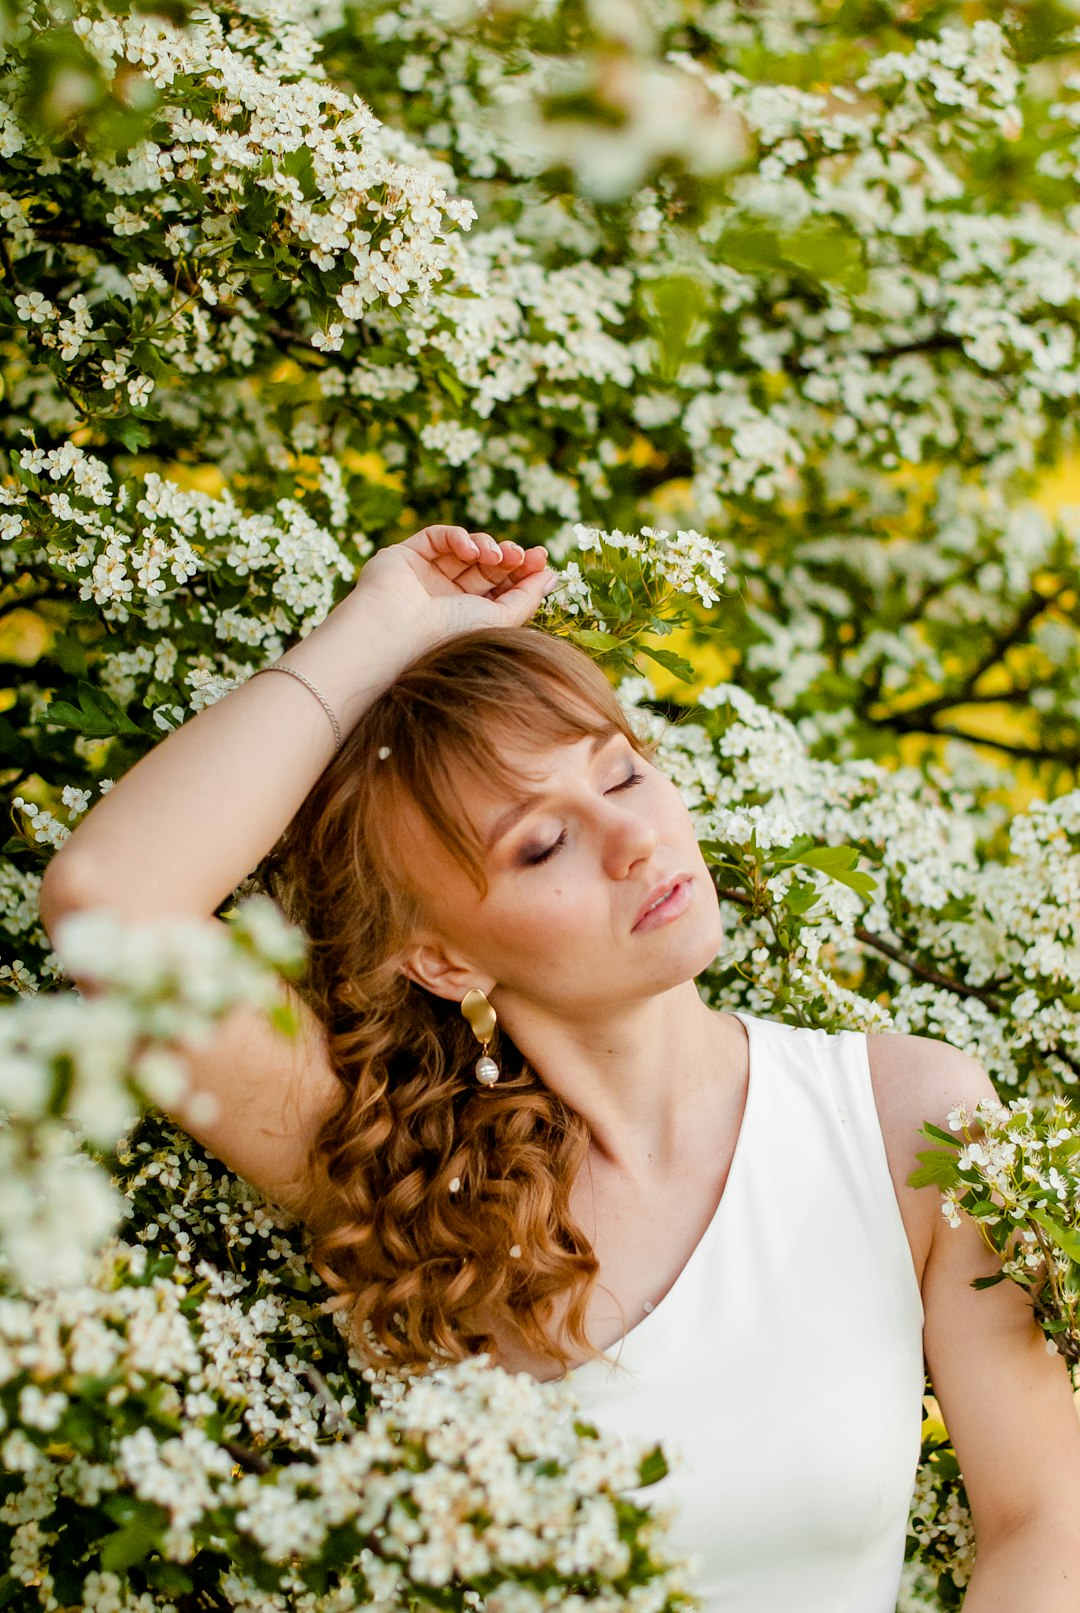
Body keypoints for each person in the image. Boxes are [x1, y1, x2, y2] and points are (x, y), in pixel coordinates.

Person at [39, 524, 1080, 1612]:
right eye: (541, 843)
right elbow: (111, 900)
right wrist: (382, 627)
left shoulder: (908, 1117)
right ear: (441, 957)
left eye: (622, 772)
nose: (631, 839)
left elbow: (1043, 1518)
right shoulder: (397, 1177)